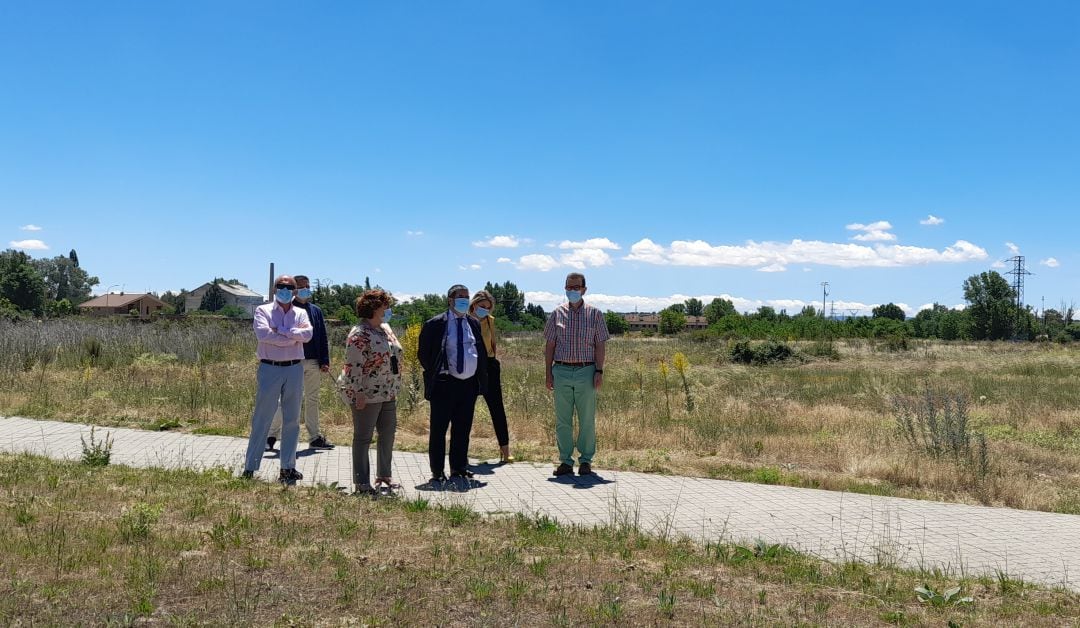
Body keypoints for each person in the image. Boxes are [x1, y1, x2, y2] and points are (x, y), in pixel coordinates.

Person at [242, 275, 312, 484]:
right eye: (281, 287)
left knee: (292, 421)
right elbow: (264, 335)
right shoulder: (262, 310)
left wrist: (281, 331)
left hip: (294, 369)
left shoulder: (301, 312)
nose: (285, 290)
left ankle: (287, 468)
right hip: (269, 368)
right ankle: (250, 467)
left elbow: (307, 335)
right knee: (262, 419)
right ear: (274, 290)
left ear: (295, 291)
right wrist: (292, 337)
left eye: (289, 287)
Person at [418, 284, 488, 482]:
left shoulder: (473, 324)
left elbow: (479, 352)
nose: (465, 300)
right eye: (460, 297)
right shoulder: (435, 324)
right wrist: (438, 371)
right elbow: (424, 354)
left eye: (467, 296)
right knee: (439, 429)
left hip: (468, 385)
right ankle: (437, 471)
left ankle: (459, 467)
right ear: (450, 300)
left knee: (462, 428)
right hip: (444, 383)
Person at [337, 289, 402, 496]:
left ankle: (384, 475)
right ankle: (362, 482)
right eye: (385, 305)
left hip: (388, 390)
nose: (388, 309)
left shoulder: (385, 328)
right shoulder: (359, 333)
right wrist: (358, 393)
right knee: (363, 437)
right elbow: (353, 365)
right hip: (367, 392)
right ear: (374, 308)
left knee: (387, 434)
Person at [544, 272, 609, 476]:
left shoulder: (595, 314)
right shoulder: (557, 313)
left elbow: (600, 345)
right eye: (569, 287)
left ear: (584, 289)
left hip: (586, 370)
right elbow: (550, 345)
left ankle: (586, 461)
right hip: (561, 370)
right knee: (563, 419)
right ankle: (565, 461)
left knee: (586, 418)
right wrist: (548, 372)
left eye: (576, 287)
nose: (572, 291)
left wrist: (599, 370)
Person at [267, 274, 333, 451]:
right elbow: (283, 334)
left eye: (308, 286)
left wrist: (324, 360)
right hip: (293, 361)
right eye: (301, 287)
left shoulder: (315, 311)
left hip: (313, 362)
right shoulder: (288, 309)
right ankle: (271, 435)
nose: (305, 289)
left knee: (312, 399)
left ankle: (314, 437)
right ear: (294, 290)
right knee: (286, 401)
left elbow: (321, 337)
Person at [468, 290, 513, 462]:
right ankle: (461, 451)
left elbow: (492, 344)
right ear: (474, 305)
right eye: (482, 306)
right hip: (470, 366)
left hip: (489, 364)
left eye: (488, 307)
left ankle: (505, 450)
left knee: (497, 408)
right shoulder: (464, 320)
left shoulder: (490, 321)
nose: (485, 310)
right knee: (465, 410)